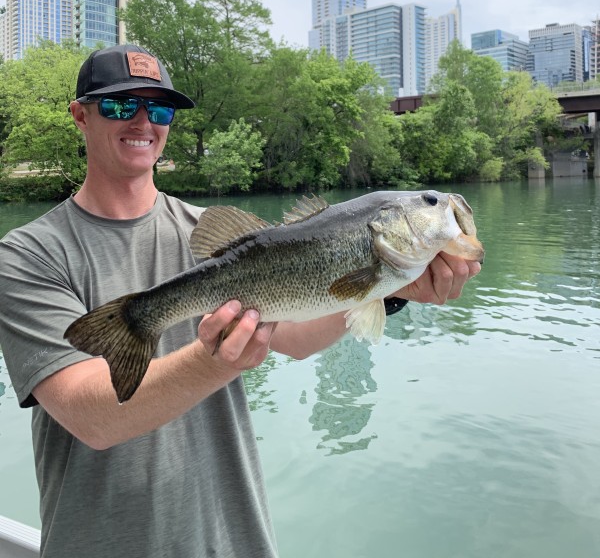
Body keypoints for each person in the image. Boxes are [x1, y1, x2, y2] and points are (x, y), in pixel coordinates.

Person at [0, 44, 481, 558]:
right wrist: (214, 364)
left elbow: (293, 334)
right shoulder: (26, 255)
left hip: (232, 540)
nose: (143, 121)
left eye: (158, 109)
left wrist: (388, 292)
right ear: (80, 115)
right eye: (121, 106)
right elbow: (92, 416)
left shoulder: (206, 230)